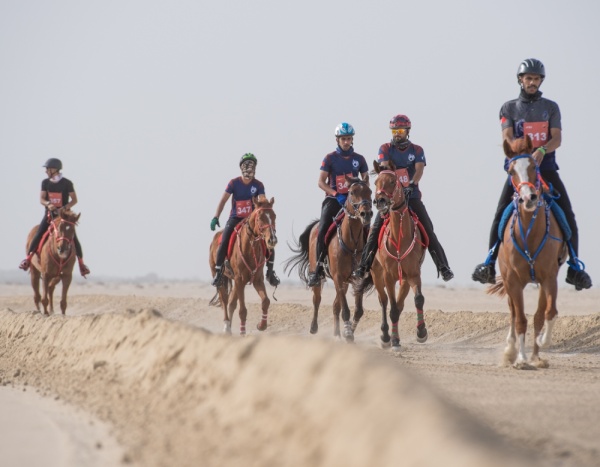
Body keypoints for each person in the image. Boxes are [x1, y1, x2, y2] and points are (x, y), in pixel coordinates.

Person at [472, 58, 592, 290]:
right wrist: (525, 155)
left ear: (540, 81)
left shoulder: (551, 107)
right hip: (520, 173)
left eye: (536, 79)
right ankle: (488, 264)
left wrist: (543, 149)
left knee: (568, 216)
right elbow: (507, 138)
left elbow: (556, 137)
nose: (532, 82)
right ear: (520, 80)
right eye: (528, 78)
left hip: (546, 171)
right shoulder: (509, 108)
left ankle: (575, 267)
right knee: (500, 215)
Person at [352, 115, 454, 282]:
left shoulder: (417, 150)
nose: (397, 134)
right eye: (394, 131)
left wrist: (411, 184)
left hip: (411, 196)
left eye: (400, 131)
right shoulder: (384, 148)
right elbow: (384, 168)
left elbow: (419, 170)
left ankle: (443, 267)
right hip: (390, 199)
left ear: (407, 131)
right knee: (375, 230)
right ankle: (364, 265)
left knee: (428, 230)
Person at [306, 122, 369, 287]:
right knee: (323, 229)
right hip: (333, 200)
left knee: (368, 228)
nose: (346, 142)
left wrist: (359, 193)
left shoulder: (359, 159)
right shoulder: (330, 158)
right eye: (343, 139)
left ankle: (367, 265)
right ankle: (318, 269)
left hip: (353, 201)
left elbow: (366, 179)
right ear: (337, 140)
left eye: (349, 138)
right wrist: (335, 194)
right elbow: (320, 182)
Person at [210, 153, 280, 288]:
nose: (249, 168)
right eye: (246, 165)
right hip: (235, 218)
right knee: (224, 240)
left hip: (252, 221)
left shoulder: (258, 185)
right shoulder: (233, 183)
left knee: (269, 240)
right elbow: (223, 200)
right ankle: (219, 272)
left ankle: (270, 272)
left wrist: (265, 204)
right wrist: (216, 217)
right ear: (241, 167)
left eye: (252, 165)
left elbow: (262, 199)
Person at [19, 158, 91, 277]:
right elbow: (42, 199)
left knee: (74, 239)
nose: (46, 171)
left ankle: (81, 264)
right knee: (38, 234)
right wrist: (49, 204)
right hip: (49, 215)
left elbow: (74, 200)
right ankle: (28, 259)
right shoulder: (45, 183)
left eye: (48, 169)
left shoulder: (67, 183)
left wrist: (64, 207)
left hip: (64, 217)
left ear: (55, 169)